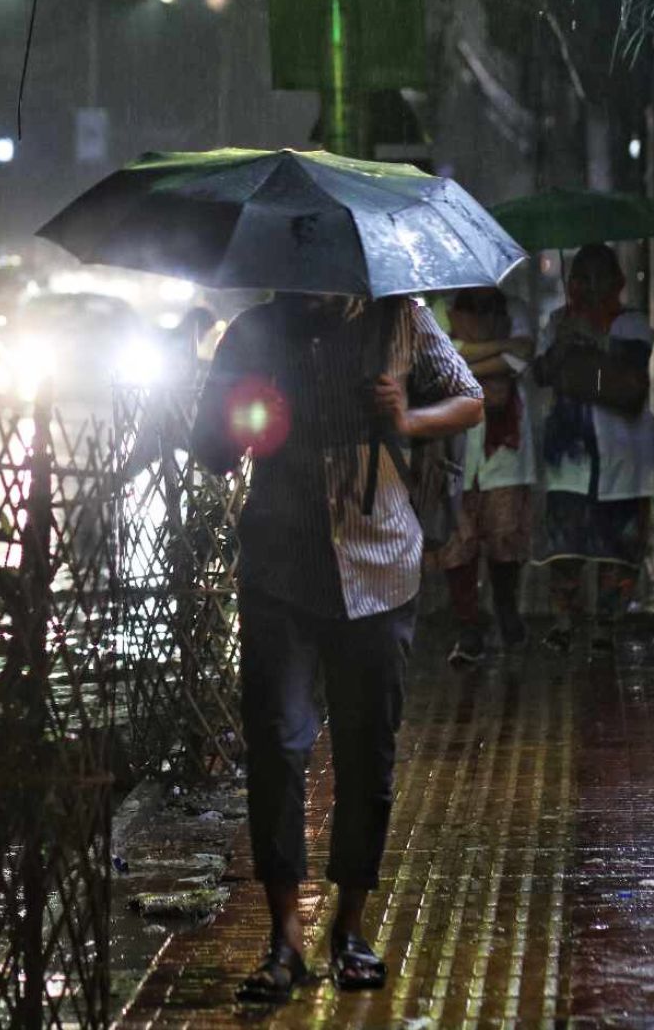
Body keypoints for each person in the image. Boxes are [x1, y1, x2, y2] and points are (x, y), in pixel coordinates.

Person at [192, 291, 483, 1003]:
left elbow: (469, 399)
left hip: (380, 567)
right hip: (281, 572)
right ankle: (285, 935)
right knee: (278, 744)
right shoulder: (254, 331)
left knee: (367, 747)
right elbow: (211, 449)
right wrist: (243, 423)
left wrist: (407, 415)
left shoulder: (400, 320)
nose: (320, 286)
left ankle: (351, 928)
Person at [532, 244, 654, 653]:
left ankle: (607, 624)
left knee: (619, 550)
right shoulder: (556, 323)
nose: (590, 287)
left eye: (599, 277)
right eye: (582, 277)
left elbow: (623, 384)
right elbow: (543, 373)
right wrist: (571, 352)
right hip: (570, 458)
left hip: (625, 457)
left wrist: (582, 351)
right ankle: (564, 621)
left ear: (616, 281)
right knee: (565, 548)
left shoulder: (633, 324)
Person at [435, 287, 536, 663]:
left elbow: (519, 358)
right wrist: (498, 348)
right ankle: (468, 625)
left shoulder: (517, 307)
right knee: (457, 541)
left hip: (505, 448)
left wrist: (462, 358)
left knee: (504, 533)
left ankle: (506, 610)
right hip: (455, 442)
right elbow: (439, 361)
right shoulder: (441, 311)